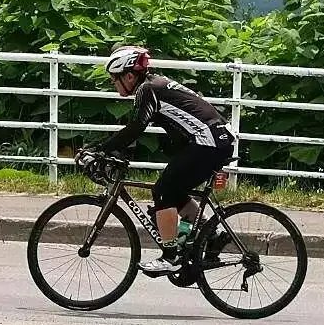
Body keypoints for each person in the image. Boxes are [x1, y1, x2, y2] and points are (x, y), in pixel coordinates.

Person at [92, 44, 235, 276]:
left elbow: (135, 127)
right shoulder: (155, 85)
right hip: (214, 139)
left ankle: (171, 257)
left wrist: (101, 149)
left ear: (129, 76)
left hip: (208, 141)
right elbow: (143, 129)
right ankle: (211, 235)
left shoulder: (147, 90)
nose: (113, 83)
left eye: (114, 79)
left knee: (163, 191)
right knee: (172, 191)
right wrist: (116, 150)